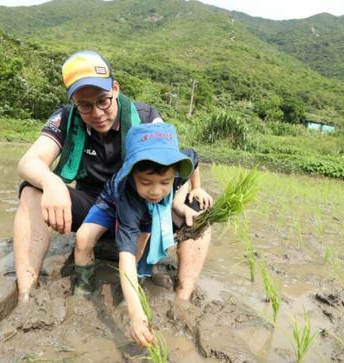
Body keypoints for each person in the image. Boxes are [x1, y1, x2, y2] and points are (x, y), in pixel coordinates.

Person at [13, 50, 212, 303]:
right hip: (93, 208)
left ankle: (183, 297)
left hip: (139, 206)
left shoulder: (146, 118)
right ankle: (25, 293)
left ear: (115, 89)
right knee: (32, 190)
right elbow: (28, 162)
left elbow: (169, 169)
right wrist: (52, 182)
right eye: (84, 105)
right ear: (73, 100)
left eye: (103, 101)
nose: (96, 112)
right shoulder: (65, 117)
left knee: (200, 210)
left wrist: (184, 197)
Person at [75, 123, 212, 347]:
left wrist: (197, 187)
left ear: (175, 172)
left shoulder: (176, 168)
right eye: (146, 182)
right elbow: (125, 257)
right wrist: (137, 316)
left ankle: (129, 290)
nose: (156, 190)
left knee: (142, 243)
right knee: (83, 239)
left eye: (165, 182)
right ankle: (81, 289)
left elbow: (193, 158)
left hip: (147, 208)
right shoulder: (128, 196)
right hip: (111, 201)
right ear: (132, 174)